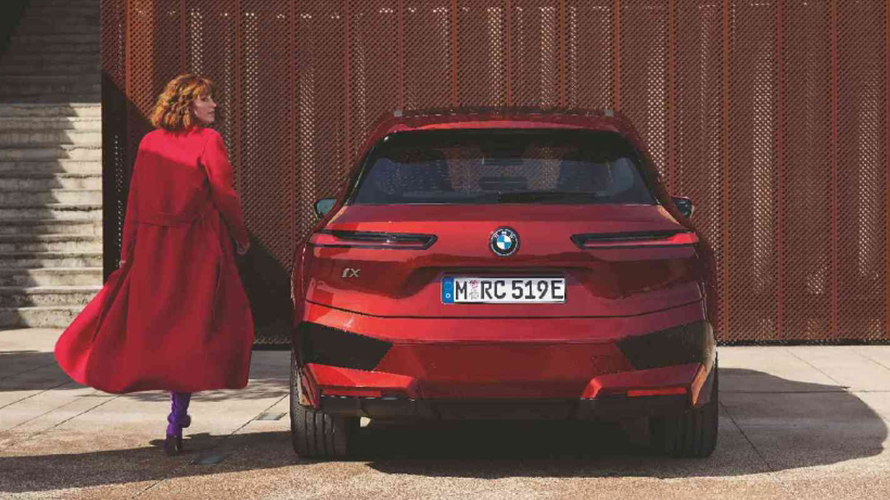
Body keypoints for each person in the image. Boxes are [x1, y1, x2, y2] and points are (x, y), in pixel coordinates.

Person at [54, 74, 254, 457]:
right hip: (195, 248)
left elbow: (135, 199)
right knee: (192, 329)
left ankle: (176, 416)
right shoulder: (209, 140)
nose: (214, 105)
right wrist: (240, 237)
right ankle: (176, 417)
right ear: (187, 104)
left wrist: (128, 249)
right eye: (205, 99)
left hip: (153, 248)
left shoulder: (149, 142)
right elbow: (225, 195)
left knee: (162, 329)